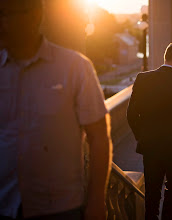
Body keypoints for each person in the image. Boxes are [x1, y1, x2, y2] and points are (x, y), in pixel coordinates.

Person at [0, 1, 112, 219]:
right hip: (5, 203)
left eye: (6, 13)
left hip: (61, 208)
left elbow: (98, 135)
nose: (2, 22)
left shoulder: (75, 67)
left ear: (35, 15)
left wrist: (97, 198)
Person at [127, 41, 172, 220]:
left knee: (152, 191)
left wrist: (142, 137)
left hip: (150, 146)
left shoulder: (143, 78)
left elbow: (131, 114)